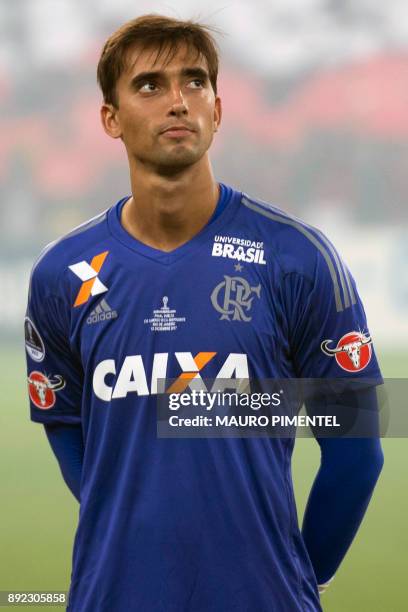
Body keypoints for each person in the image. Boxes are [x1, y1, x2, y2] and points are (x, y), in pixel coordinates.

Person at [24, 14, 384, 612]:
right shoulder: (62, 273)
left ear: (218, 109)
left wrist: (294, 578)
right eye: (149, 86)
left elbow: (357, 451)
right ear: (109, 119)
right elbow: (66, 428)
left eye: (194, 83)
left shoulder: (298, 258)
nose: (177, 102)